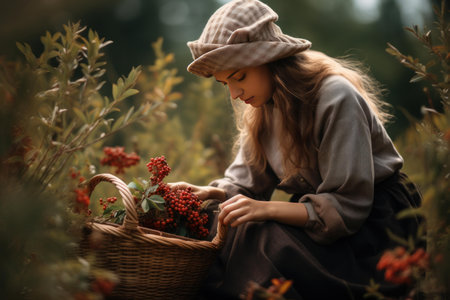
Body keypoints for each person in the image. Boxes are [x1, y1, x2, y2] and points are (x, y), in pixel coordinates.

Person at [170, 0, 423, 299]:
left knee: (263, 240)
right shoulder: (262, 107)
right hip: (319, 216)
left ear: (271, 59)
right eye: (225, 83)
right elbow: (245, 183)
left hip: (375, 228)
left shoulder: (334, 96)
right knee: (217, 226)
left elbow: (347, 208)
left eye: (239, 77)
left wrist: (265, 210)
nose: (235, 94)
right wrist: (208, 193)